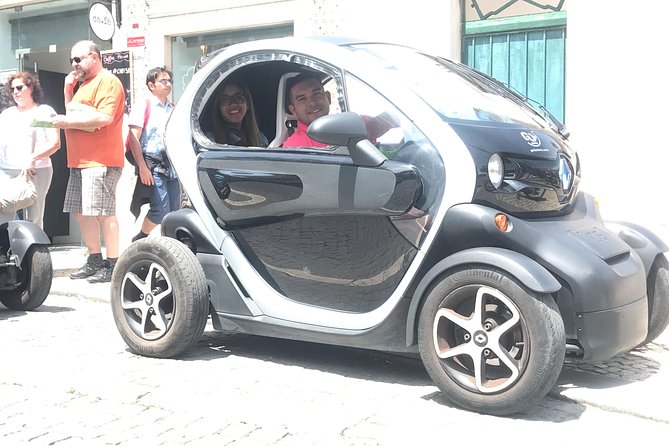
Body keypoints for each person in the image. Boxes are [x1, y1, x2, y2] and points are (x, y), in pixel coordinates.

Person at [52, 40, 125, 283]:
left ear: (94, 57)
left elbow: (103, 118)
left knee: (104, 213)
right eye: (71, 60)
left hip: (100, 159)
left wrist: (65, 122)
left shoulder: (108, 81)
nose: (74, 64)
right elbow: (71, 115)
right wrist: (67, 91)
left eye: (78, 59)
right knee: (82, 213)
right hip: (80, 160)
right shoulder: (82, 85)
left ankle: (113, 264)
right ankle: (95, 259)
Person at [0, 72, 60, 227]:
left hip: (36, 171)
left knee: (34, 218)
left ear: (31, 87)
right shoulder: (7, 114)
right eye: (12, 89)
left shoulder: (44, 112)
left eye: (19, 87)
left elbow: (55, 142)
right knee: (4, 215)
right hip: (6, 171)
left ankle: (34, 250)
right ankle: (6, 248)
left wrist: (33, 158)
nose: (15, 92)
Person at [127, 66, 179, 242]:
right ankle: (140, 238)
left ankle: (170, 245)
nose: (168, 84)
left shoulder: (173, 108)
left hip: (172, 164)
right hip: (152, 163)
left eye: (170, 81)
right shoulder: (144, 105)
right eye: (163, 80)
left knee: (175, 211)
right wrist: (142, 167)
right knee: (161, 208)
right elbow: (133, 138)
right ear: (151, 85)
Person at [282, 72, 397, 149]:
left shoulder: (353, 125)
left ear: (328, 97)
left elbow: (388, 120)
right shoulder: (293, 149)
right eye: (302, 99)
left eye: (316, 94)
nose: (312, 102)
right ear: (293, 110)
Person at [210, 78, 268, 147]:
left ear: (248, 104)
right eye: (225, 100)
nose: (233, 104)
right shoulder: (210, 141)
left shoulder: (260, 139)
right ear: (218, 108)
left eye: (238, 98)